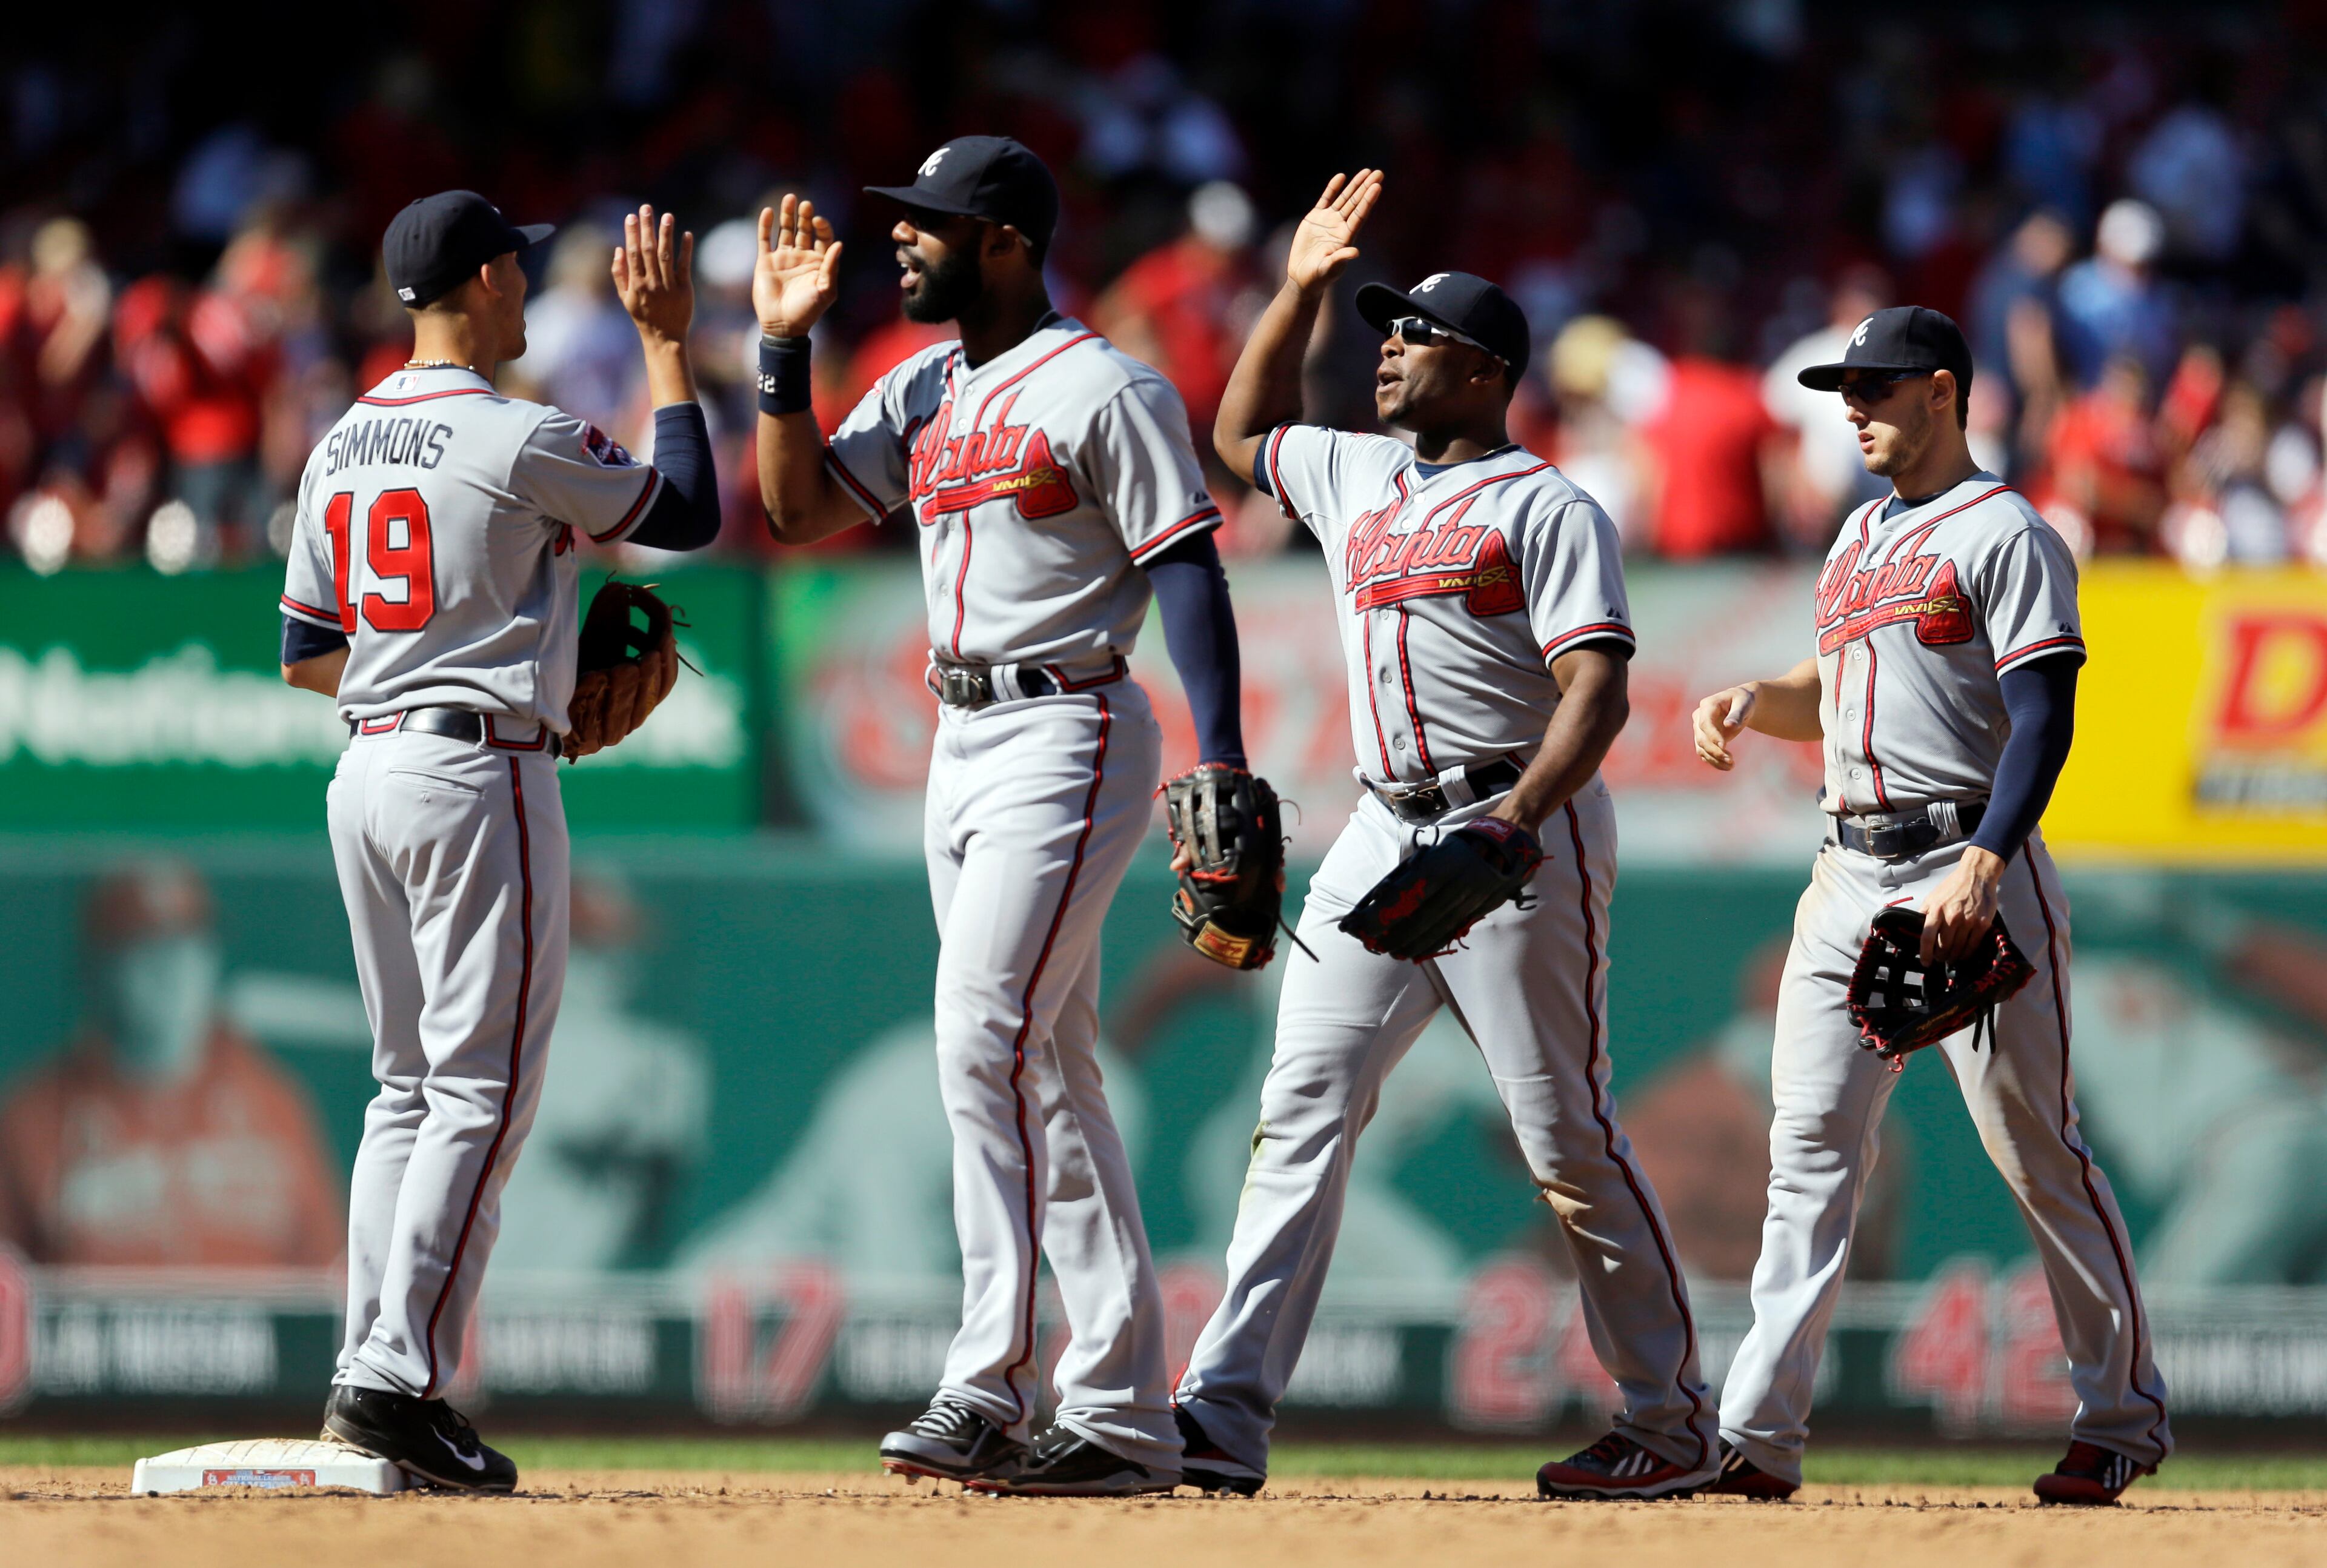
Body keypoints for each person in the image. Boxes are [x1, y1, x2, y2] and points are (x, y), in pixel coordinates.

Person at [1179, 168, 1715, 1501]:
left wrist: (1517, 826)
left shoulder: (1549, 505)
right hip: (1378, 825)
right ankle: (1221, 1413)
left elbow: (1599, 688)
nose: (1388, 349)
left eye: (1412, 334)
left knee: (1565, 1141)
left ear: (1482, 370)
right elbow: (1239, 434)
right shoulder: (1360, 472)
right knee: (1297, 1109)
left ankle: (1668, 1416)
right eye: (1383, 330)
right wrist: (1299, 285)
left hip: (1511, 829)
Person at [750, 136, 1252, 1497]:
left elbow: (1189, 570)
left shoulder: (1106, 386)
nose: (901, 241)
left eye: (932, 224)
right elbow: (795, 509)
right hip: (958, 737)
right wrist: (783, 353)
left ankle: (992, 1378)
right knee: (1049, 1066)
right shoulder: (920, 382)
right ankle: (1125, 1412)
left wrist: (1228, 759)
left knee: (983, 1033)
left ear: (1011, 243)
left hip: (1070, 722)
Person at [276, 191, 721, 1491]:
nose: (528, 291)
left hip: (364, 761)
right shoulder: (519, 432)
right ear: (480, 281)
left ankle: (370, 1360)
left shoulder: (339, 441)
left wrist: (434, 666)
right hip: (477, 772)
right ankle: (395, 1382)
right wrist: (666, 346)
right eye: (516, 271)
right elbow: (687, 509)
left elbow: (308, 652)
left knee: (406, 1089)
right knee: (479, 1091)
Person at [1689, 305, 2171, 1506]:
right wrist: (1761, 697)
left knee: (2035, 1152)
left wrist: (1992, 860)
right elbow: (1834, 690)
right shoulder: (1855, 535)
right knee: (1805, 1151)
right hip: (1846, 867)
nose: (1854, 405)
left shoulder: (2007, 530)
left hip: (1965, 861)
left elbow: (2046, 710)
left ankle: (2118, 1415)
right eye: (1844, 387)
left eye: (1879, 385)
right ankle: (1757, 1433)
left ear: (1945, 392)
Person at [0, 860, 341, 1268]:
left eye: (188, 946)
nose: (172, 971)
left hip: (251, 1334)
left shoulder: (275, 1102)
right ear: (96, 969)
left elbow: (331, 1281)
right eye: (144, 948)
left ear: (212, 958)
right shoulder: (34, 1115)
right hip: (91, 1334)